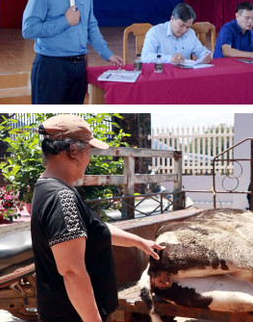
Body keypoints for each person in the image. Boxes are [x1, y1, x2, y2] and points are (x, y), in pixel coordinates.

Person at [31, 114, 164, 322]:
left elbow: (94, 229)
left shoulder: (47, 187)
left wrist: (139, 242)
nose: (89, 159)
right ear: (73, 151)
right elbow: (72, 271)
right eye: (89, 151)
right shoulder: (62, 197)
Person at [23, 0, 124, 104]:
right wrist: (64, 21)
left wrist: (107, 54)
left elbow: (91, 26)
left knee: (71, 122)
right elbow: (28, 30)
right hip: (51, 66)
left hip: (79, 66)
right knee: (48, 124)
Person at [141, 3, 212, 64]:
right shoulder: (156, 32)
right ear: (172, 19)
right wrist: (169, 59)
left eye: (188, 27)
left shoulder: (190, 33)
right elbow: (145, 57)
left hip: (184, 75)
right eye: (182, 25)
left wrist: (206, 55)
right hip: (161, 73)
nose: (184, 30)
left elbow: (200, 51)